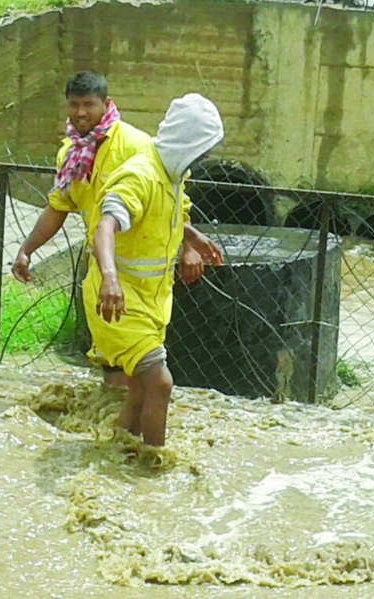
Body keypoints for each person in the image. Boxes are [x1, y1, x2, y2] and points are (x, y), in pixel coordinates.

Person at [11, 72, 220, 387]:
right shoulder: (71, 155)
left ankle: (127, 431)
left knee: (145, 377)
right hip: (103, 270)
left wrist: (188, 244)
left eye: (89, 105)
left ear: (106, 104)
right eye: (74, 105)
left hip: (139, 280)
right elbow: (58, 207)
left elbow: (173, 200)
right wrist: (27, 250)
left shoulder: (137, 146)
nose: (81, 113)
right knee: (117, 368)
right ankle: (118, 431)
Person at [86, 93, 225, 447]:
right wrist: (110, 279)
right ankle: (154, 463)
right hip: (117, 301)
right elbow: (105, 227)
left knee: (138, 390)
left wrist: (192, 237)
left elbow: (167, 213)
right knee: (160, 383)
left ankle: (122, 452)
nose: (205, 157)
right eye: (202, 149)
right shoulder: (140, 175)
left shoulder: (172, 173)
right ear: (185, 141)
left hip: (148, 300)